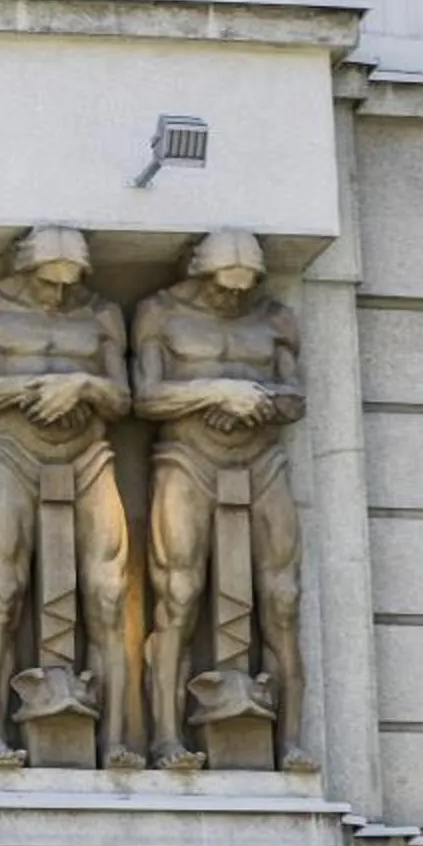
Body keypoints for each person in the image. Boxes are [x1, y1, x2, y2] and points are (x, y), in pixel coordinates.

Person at [0, 225, 136, 768]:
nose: (58, 293)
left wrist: (81, 386)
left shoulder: (100, 314)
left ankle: (118, 739)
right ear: (24, 268)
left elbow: (123, 396)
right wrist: (35, 387)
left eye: (69, 281)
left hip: (87, 454)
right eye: (47, 282)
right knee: (0, 595)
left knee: (108, 594)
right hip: (11, 453)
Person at [134, 229, 311, 772]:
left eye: (243, 287)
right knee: (179, 595)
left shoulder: (276, 319)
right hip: (189, 460)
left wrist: (261, 401)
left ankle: (291, 742)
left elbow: (295, 397)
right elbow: (146, 396)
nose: (233, 297)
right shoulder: (158, 313)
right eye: (221, 287)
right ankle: (165, 736)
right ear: (198, 272)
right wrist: (216, 391)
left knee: (282, 598)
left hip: (262, 460)